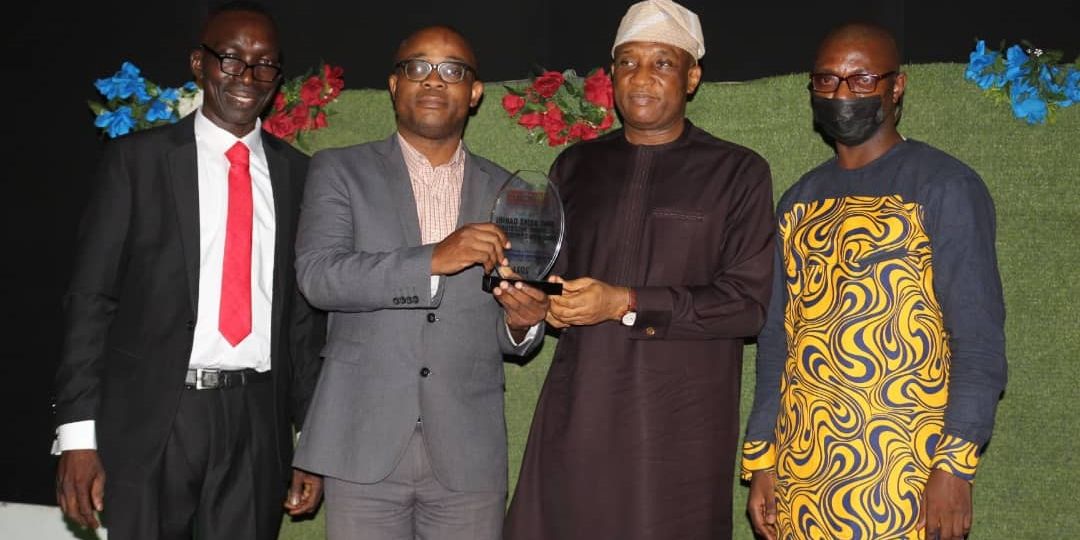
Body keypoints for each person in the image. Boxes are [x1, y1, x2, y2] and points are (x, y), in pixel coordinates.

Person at [52, 2, 326, 539]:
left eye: (264, 64)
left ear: (278, 79)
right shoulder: (138, 162)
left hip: (257, 421)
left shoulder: (300, 175)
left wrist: (312, 442)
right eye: (230, 58)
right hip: (154, 419)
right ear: (199, 65)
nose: (247, 77)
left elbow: (302, 324)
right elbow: (91, 300)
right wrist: (78, 437)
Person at [503, 1, 776, 538]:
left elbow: (745, 307)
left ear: (692, 76)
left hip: (677, 436)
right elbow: (546, 288)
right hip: (579, 416)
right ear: (611, 76)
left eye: (662, 63)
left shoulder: (738, 172)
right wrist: (525, 313)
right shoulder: (575, 167)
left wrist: (625, 301)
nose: (642, 78)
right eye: (628, 63)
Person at [741, 22, 1007, 540]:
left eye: (862, 79)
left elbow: (977, 342)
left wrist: (955, 466)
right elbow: (777, 341)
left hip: (905, 477)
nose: (842, 94)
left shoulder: (945, 185)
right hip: (803, 475)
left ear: (896, 87)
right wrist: (761, 460)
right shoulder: (799, 201)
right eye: (827, 80)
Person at [291, 25, 548, 540]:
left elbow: (510, 323)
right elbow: (320, 277)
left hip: (468, 456)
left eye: (452, 70)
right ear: (394, 84)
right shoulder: (339, 171)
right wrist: (434, 258)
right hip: (360, 444)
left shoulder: (512, 192)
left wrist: (523, 325)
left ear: (474, 93)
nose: (434, 80)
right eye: (417, 67)